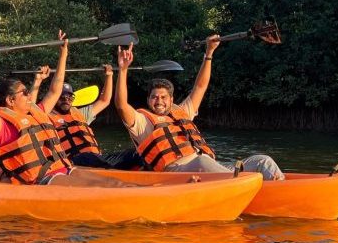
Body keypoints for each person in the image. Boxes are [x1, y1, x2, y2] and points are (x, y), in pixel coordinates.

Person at [0, 34, 140, 187]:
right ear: (10, 100)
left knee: (114, 183)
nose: (29, 95)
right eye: (25, 92)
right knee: (103, 186)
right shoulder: (2, 127)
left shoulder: (37, 112)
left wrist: (63, 53)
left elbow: (55, 91)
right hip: (44, 179)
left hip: (65, 169)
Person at [114, 38, 284, 180]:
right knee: (202, 162)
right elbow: (121, 105)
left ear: (171, 100)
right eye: (154, 97)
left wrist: (209, 53)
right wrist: (123, 70)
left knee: (263, 161)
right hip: (177, 173)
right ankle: (238, 183)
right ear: (148, 100)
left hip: (211, 168)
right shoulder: (142, 122)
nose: (159, 101)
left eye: (163, 97)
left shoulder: (182, 112)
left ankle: (279, 190)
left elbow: (200, 87)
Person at [31, 61, 142, 170]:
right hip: (73, 162)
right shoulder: (45, 117)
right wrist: (37, 80)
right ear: (55, 98)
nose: (66, 100)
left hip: (96, 158)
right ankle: (108, 170)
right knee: (87, 157)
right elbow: (29, 110)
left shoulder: (80, 114)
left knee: (136, 154)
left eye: (69, 97)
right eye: (61, 97)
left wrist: (109, 76)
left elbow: (104, 101)